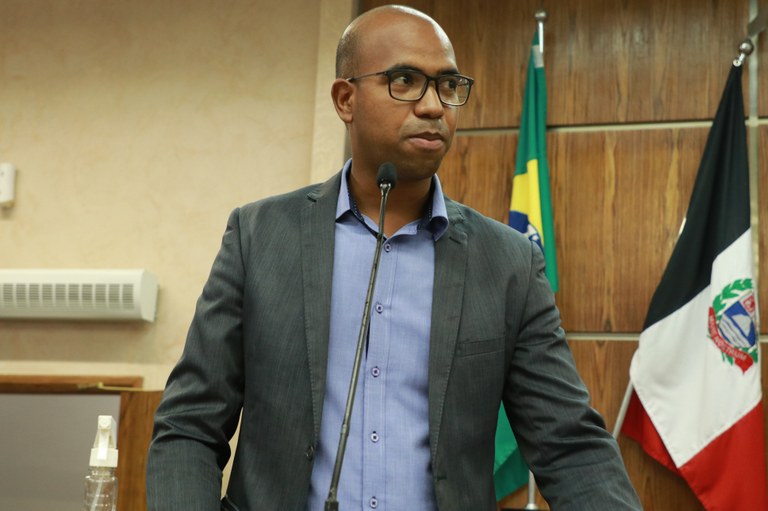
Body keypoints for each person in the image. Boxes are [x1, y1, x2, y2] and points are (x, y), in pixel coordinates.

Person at [147, 5, 642, 511]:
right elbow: (190, 427)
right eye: (405, 81)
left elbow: (570, 447)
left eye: (447, 86)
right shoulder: (260, 237)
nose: (433, 106)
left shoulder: (508, 263)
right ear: (346, 99)